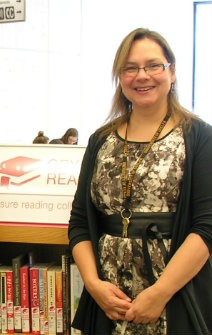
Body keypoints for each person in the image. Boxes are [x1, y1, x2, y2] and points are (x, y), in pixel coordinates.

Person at [68, 27, 212, 335]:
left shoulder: (199, 137)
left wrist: (159, 294)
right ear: (120, 78)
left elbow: (207, 227)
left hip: (176, 296)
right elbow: (79, 222)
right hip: (108, 300)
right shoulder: (100, 140)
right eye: (130, 68)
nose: (142, 75)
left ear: (171, 72)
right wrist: (93, 286)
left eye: (153, 65)